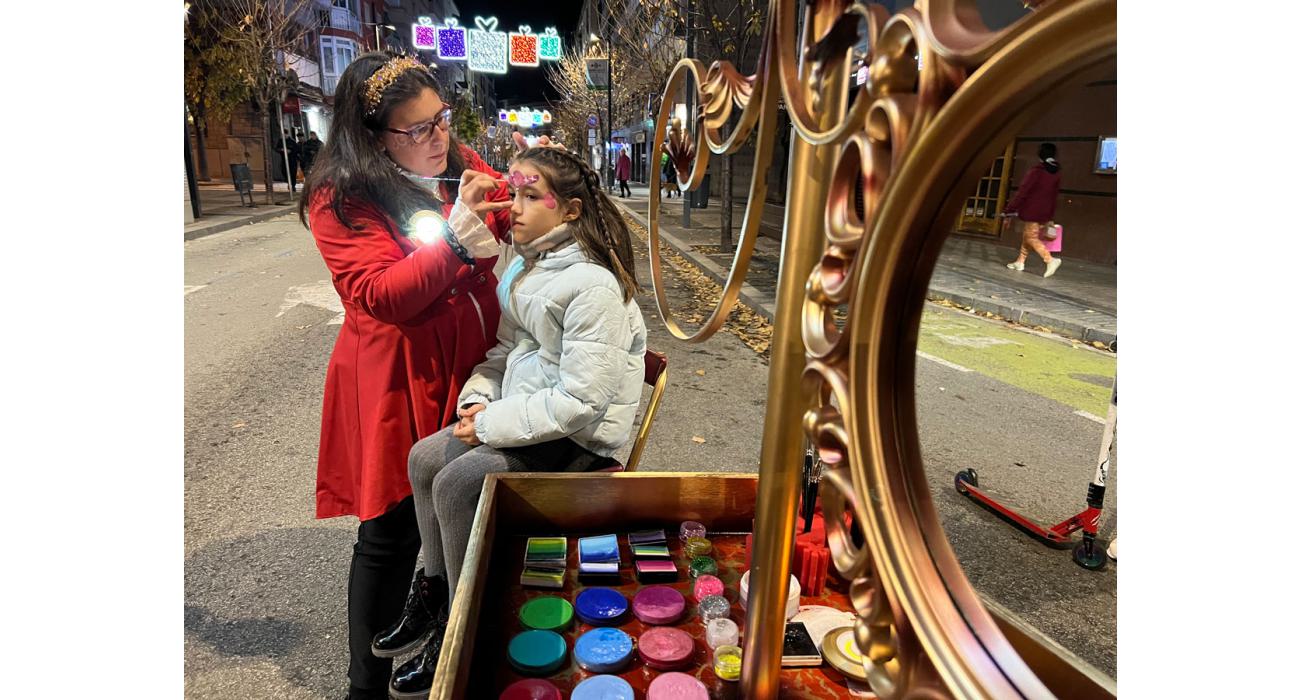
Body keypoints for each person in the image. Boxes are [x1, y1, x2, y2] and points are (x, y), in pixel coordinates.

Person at [297, 52, 517, 700]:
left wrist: (515, 200)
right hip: (401, 375)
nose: (438, 137)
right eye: (417, 129)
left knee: (460, 511)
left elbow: (500, 199)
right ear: (373, 135)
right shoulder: (340, 196)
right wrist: (454, 243)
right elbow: (382, 293)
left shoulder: (454, 159)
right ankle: (365, 687)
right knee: (390, 530)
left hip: (467, 364)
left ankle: (449, 657)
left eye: (441, 119)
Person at [392, 145, 648, 697]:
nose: (517, 206)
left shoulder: (593, 286)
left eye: (532, 196)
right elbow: (505, 352)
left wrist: (491, 424)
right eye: (516, 192)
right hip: (531, 413)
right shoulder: (526, 266)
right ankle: (438, 593)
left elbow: (582, 400)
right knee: (423, 458)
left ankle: (466, 631)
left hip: (580, 439)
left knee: (458, 483)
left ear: (571, 211)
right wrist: (475, 402)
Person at [1003, 142, 1063, 278]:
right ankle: (1020, 261)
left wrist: (1009, 210)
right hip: (1045, 211)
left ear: (1039, 155)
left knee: (1031, 237)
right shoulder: (1057, 173)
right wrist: (1050, 215)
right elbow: (1054, 195)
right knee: (1028, 235)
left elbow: (1022, 192)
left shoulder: (1037, 171)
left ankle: (1050, 260)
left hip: (1032, 210)